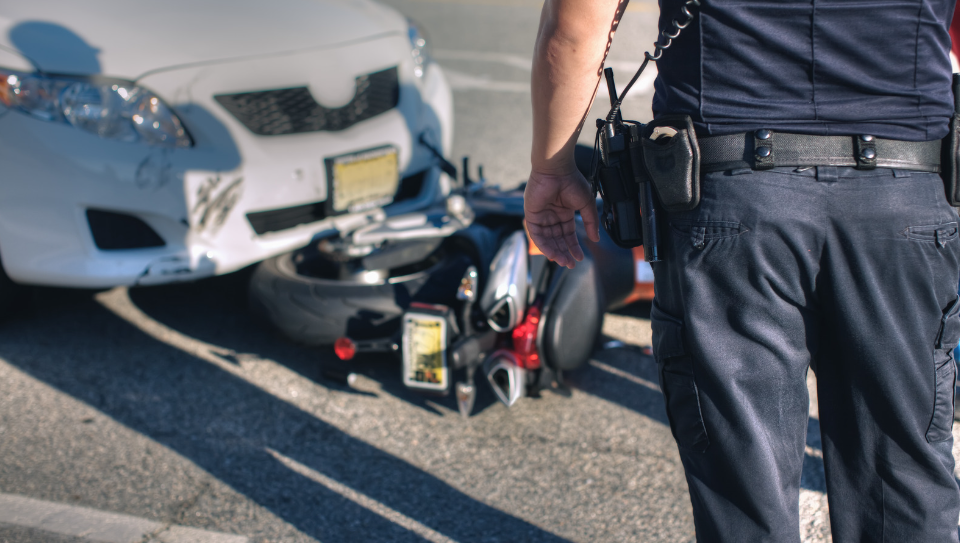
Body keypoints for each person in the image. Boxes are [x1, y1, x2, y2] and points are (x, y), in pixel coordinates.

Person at [524, 0, 960, 541]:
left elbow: (575, 25)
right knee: (904, 485)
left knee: (742, 486)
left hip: (734, 199)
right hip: (902, 197)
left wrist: (551, 166)